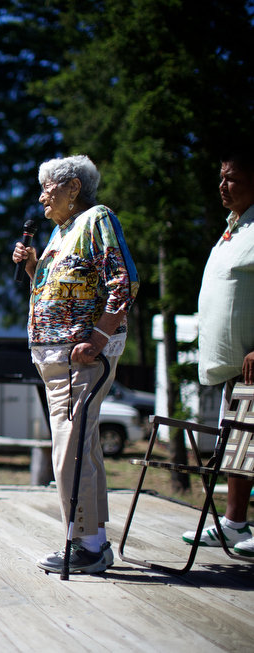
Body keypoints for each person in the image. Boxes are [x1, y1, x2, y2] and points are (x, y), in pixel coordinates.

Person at [12, 154, 139, 574]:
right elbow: (62, 292)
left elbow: (124, 282)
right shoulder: (59, 233)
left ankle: (84, 544)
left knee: (68, 450)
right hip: (56, 358)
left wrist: (99, 337)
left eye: (49, 186)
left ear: (73, 188)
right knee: (82, 446)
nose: (42, 195)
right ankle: (94, 541)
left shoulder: (96, 219)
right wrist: (34, 268)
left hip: (80, 356)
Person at [180, 148, 254, 557]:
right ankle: (234, 524)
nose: (224, 186)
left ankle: (241, 525)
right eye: (222, 178)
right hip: (234, 366)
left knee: (250, 442)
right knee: (241, 445)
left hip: (252, 360)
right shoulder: (235, 227)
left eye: (234, 179)